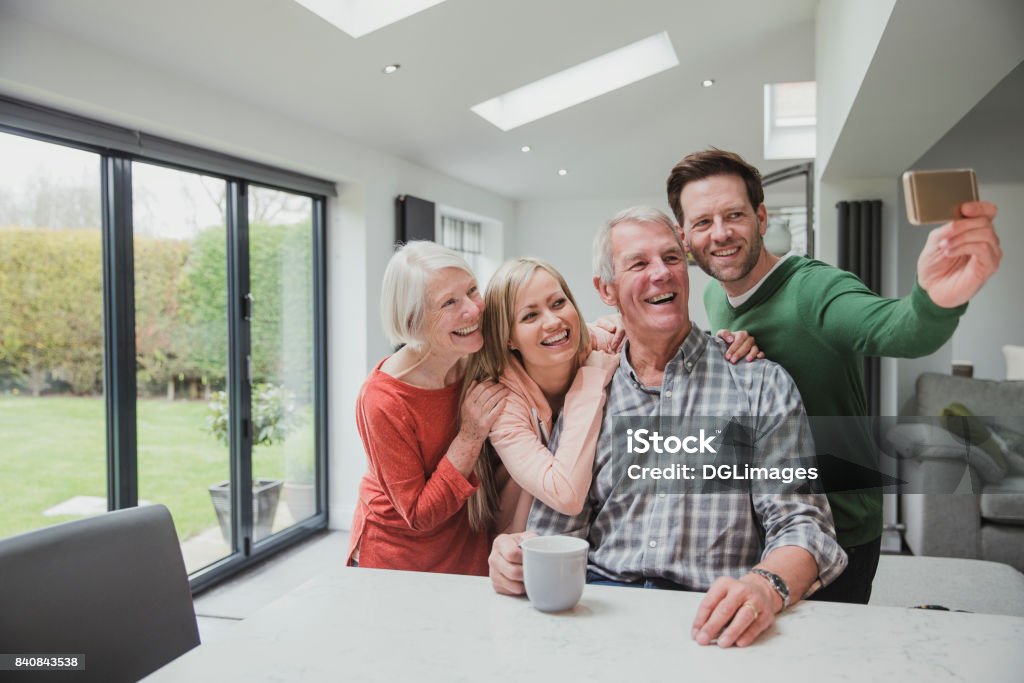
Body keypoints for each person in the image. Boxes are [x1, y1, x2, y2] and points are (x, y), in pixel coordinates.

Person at [488, 207, 847, 648]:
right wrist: (516, 555)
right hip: (598, 616)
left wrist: (763, 587)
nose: (661, 273)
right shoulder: (590, 390)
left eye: (672, 258)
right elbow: (556, 532)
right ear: (606, 289)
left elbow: (802, 525)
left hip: (710, 618)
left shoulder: (759, 383)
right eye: (638, 264)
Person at [666, 148, 1002, 603]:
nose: (721, 233)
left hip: (840, 524)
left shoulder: (815, 290)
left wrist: (932, 299)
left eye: (734, 215)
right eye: (703, 222)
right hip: (765, 518)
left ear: (761, 218)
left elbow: (898, 329)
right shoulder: (712, 295)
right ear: (685, 237)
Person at [348, 241, 509, 576]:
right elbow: (419, 514)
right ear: (413, 320)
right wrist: (470, 435)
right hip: (399, 561)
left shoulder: (473, 349)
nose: (473, 309)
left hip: (467, 542)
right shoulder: (383, 399)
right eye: (449, 302)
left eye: (471, 290)